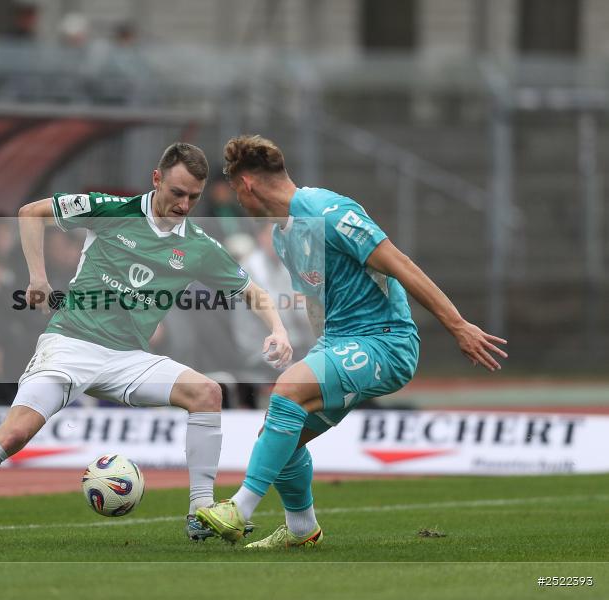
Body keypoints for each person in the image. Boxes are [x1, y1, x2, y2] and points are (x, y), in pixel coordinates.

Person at [0, 142, 294, 545]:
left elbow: (253, 291)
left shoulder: (197, 245)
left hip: (128, 359)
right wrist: (38, 278)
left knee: (207, 392)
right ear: (156, 179)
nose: (183, 204)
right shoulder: (111, 209)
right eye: (177, 193)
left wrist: (277, 329)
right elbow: (30, 213)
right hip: (71, 344)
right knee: (15, 434)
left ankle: (198, 513)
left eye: (193, 196)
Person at [196, 135, 508, 548]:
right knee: (280, 437)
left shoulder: (328, 210)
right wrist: (311, 356)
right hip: (340, 343)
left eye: (235, 189)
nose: (236, 200)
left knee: (287, 393)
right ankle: (302, 529)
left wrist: (458, 325)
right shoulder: (284, 236)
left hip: (386, 341)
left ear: (248, 184)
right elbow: (314, 302)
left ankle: (239, 509)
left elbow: (401, 264)